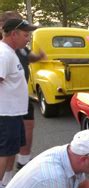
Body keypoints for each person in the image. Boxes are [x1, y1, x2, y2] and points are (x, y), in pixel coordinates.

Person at [0, 11, 46, 174]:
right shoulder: (3, 54)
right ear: (13, 34)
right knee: (4, 152)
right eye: (26, 35)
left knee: (10, 150)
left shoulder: (13, 51)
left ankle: (6, 184)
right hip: (6, 113)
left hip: (14, 111)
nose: (28, 39)